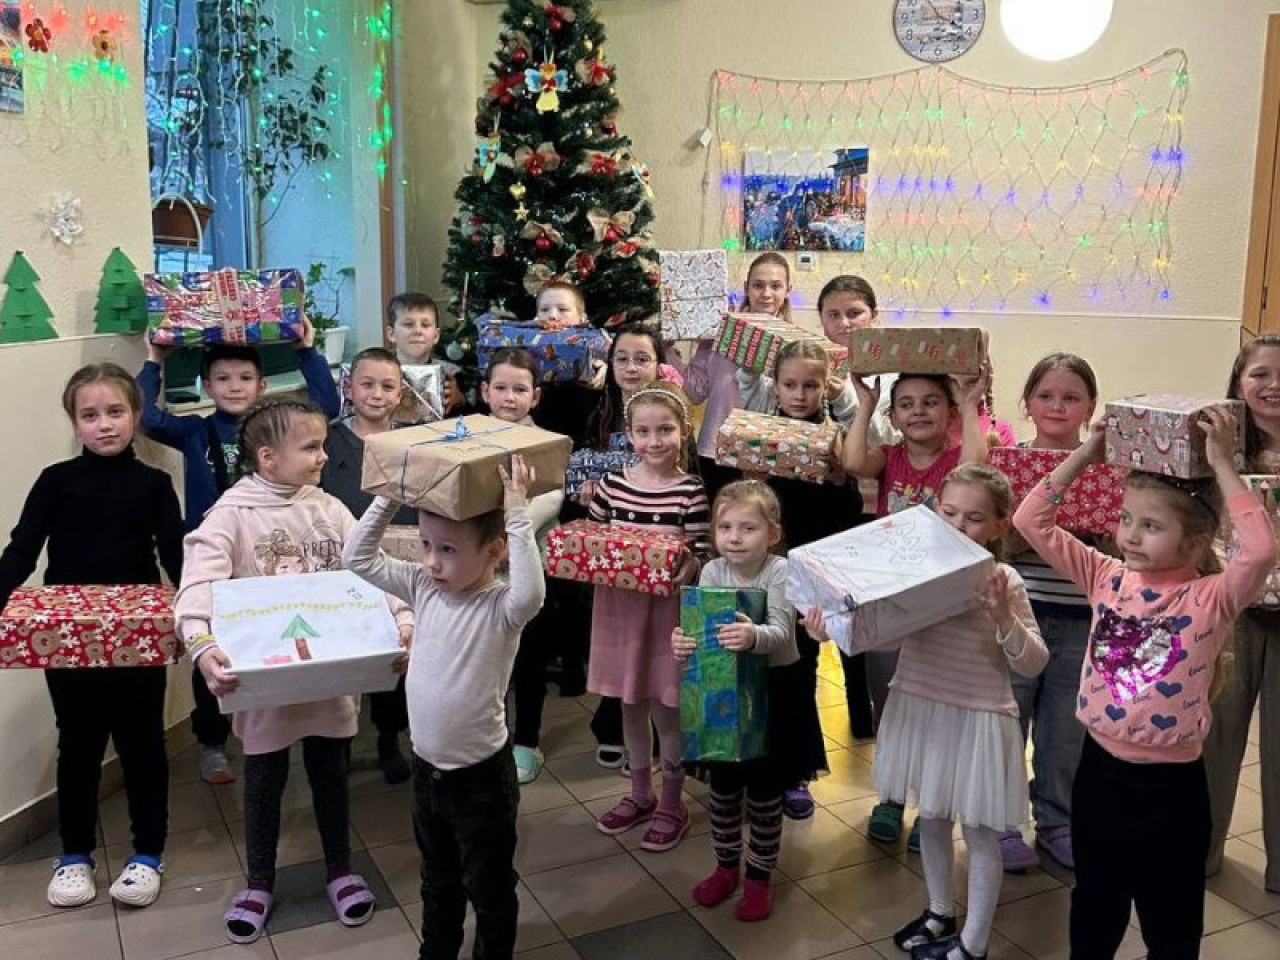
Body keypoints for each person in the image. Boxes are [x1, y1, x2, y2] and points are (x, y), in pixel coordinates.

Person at [1014, 410, 1276, 960]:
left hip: (1172, 792)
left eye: (1151, 526)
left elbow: (1259, 551)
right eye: (1126, 518)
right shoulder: (1105, 576)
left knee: (1172, 923)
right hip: (1099, 775)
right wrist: (1087, 454)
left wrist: (1222, 464)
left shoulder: (1210, 598)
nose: (1130, 535)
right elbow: (1030, 519)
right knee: (1095, 907)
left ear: (1197, 539)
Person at [174, 397, 412, 944]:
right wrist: (202, 645)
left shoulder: (329, 509)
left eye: (323, 445)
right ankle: (259, 881)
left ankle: (340, 868)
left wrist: (402, 618)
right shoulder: (232, 515)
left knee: (332, 776)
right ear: (268, 457)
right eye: (310, 447)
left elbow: (372, 568)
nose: (324, 457)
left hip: (330, 681)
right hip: (264, 687)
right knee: (263, 784)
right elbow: (197, 586)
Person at [813, 464, 1047, 960]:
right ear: (934, 512)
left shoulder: (1004, 580)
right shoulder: (915, 572)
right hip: (920, 705)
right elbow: (881, 638)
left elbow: (1033, 662)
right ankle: (940, 911)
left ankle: (975, 944)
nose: (959, 526)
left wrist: (1003, 616)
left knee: (980, 834)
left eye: (975, 518)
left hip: (978, 717)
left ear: (999, 526)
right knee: (933, 818)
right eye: (950, 513)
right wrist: (830, 627)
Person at [344, 450, 544, 960]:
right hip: (427, 772)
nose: (432, 561)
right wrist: (391, 495)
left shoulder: (500, 606)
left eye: (449, 550)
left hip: (481, 780)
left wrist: (517, 511)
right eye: (427, 545)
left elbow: (531, 594)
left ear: (494, 551)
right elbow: (357, 558)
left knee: (490, 888)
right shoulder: (422, 586)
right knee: (438, 881)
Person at [0, 363, 183, 909]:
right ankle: (74, 854)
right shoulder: (55, 481)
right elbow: (22, 550)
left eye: (115, 412)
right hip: (67, 641)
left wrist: (202, 613)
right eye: (90, 415)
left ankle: (148, 854)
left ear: (136, 414)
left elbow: (177, 559)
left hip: (139, 640)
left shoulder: (155, 485)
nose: (104, 424)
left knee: (143, 746)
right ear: (74, 422)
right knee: (77, 746)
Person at [139, 317, 340, 785]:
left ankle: (280, 727)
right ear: (207, 386)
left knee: (273, 635)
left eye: (245, 377)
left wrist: (306, 350)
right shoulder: (195, 431)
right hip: (213, 559)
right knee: (211, 643)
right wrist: (154, 361)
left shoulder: (277, 433)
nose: (234, 386)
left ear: (262, 385)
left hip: (267, 556)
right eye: (223, 378)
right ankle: (212, 741)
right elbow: (148, 417)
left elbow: (327, 407)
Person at [843, 369, 990, 847]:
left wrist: (969, 404)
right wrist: (866, 404)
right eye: (906, 404)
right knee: (888, 704)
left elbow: (978, 465)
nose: (918, 411)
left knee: (936, 706)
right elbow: (852, 461)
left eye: (931, 401)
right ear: (894, 415)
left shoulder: (955, 461)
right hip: (891, 601)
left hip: (944, 604)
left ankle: (932, 807)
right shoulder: (888, 458)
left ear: (948, 412)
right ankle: (890, 795)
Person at [737, 339, 858, 819]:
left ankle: (795, 774)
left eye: (811, 385)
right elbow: (744, 506)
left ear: (826, 386)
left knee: (800, 670)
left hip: (813, 573)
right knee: (762, 669)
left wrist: (838, 478)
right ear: (775, 385)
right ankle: (755, 765)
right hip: (767, 570)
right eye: (790, 385)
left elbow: (849, 511)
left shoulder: (837, 438)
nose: (800, 394)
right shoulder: (760, 433)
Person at [672, 481, 800, 921]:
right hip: (721, 694)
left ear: (773, 533)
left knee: (764, 793)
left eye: (748, 527)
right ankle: (726, 868)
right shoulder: (712, 571)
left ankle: (759, 878)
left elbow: (782, 632)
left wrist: (752, 636)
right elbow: (699, 631)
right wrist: (682, 643)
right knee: (723, 789)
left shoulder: (780, 571)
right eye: (725, 527)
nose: (735, 537)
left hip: (773, 692)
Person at [590, 382, 709, 851]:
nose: (654, 441)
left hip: (666, 617)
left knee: (667, 708)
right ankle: (641, 793)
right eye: (643, 431)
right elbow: (592, 541)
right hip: (618, 612)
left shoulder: (690, 491)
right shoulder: (612, 484)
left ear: (684, 432)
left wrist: (690, 565)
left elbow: (702, 553)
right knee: (630, 704)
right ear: (629, 434)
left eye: (665, 430)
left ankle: (673, 803)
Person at [997, 354, 1100, 872]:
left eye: (1071, 397)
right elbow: (996, 539)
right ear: (1027, 403)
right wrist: (1031, 526)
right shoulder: (1009, 464)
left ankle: (1057, 821)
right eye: (1046, 396)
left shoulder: (1105, 469)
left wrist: (1092, 523)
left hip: (1081, 618)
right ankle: (1000, 823)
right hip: (1021, 614)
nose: (1057, 406)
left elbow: (1117, 550)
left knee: (1065, 732)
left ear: (1091, 407)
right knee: (1007, 721)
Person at [575, 320, 674, 769]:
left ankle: (656, 731)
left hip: (662, 545)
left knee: (658, 645)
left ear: (658, 365)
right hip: (612, 549)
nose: (631, 367)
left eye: (642, 359)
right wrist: (583, 490)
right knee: (620, 640)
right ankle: (615, 721)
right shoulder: (596, 412)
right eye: (622, 359)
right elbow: (576, 470)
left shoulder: (672, 415)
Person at [319, 346, 417, 784]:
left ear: (401, 394)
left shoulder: (415, 442)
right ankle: (337, 744)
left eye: (387, 386)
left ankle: (388, 739)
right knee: (343, 659)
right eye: (367, 384)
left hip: (397, 569)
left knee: (394, 655)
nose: (377, 394)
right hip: (340, 572)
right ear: (349, 387)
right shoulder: (329, 441)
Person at [1204, 334, 1280, 892]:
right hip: (1231, 612)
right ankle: (1200, 852)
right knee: (1215, 735)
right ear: (1239, 383)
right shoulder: (1214, 448)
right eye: (1260, 374)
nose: (1273, 386)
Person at [810, 275, 899, 741]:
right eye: (834, 314)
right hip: (826, 508)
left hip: (877, 511)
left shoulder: (892, 373)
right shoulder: (812, 365)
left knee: (866, 616)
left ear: (874, 316)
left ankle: (868, 716)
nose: (844, 323)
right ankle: (839, 719)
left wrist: (847, 400)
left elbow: (887, 441)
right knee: (825, 612)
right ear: (821, 320)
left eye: (854, 313)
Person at [480, 347, 567, 784]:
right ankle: (486, 740)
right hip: (479, 567)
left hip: (528, 567)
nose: (509, 397)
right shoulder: (470, 438)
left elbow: (551, 497)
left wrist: (510, 536)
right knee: (484, 657)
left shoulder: (546, 443)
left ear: (535, 396)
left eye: (519, 389)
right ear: (485, 391)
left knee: (528, 659)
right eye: (500, 388)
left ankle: (527, 741)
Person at [676, 252, 794, 503]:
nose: (766, 293)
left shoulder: (794, 344)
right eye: (758, 285)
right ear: (746, 288)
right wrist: (666, 347)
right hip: (715, 450)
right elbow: (694, 392)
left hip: (768, 451)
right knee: (720, 520)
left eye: (776, 286)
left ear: (788, 290)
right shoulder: (720, 334)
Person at [384, 292, 465, 417]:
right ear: (391, 334)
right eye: (408, 324)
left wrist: (459, 400)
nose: (418, 331)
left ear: (436, 336)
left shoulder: (450, 374)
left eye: (425, 325)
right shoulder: (377, 371)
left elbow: (466, 420)